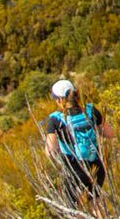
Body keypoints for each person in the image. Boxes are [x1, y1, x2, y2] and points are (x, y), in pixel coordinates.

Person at [41, 78, 111, 211]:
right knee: (95, 203)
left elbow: (51, 150)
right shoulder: (90, 110)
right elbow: (110, 134)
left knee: (74, 208)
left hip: (75, 169)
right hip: (96, 165)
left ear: (59, 100)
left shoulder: (55, 119)